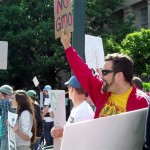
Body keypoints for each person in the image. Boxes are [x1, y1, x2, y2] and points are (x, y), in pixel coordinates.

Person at [60, 30, 148, 119]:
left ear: (119, 76)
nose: (101, 76)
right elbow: (83, 71)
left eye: (105, 72)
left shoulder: (141, 102)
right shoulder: (101, 90)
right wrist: (67, 46)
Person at [0, 84, 16, 150]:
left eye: (0, 94)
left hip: (7, 135)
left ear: (5, 94)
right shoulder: (12, 102)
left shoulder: (8, 103)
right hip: (8, 135)